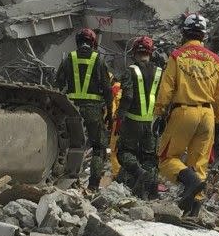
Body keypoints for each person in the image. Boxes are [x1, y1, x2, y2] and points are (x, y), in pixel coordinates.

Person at [154, 13, 219, 215]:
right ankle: (193, 211)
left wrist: (159, 112)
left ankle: (190, 181)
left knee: (167, 159)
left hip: (184, 111)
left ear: (184, 33)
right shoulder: (216, 60)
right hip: (208, 115)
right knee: (200, 163)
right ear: (204, 35)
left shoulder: (177, 56)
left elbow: (166, 88)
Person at [55, 28, 113, 191]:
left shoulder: (68, 59)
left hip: (71, 109)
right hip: (94, 110)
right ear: (93, 43)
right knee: (98, 147)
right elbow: (108, 89)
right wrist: (109, 112)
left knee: (68, 145)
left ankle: (66, 179)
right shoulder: (99, 61)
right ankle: (93, 185)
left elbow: (57, 86)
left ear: (78, 42)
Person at [117, 36, 163, 199]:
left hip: (132, 121)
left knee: (124, 152)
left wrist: (120, 116)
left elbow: (128, 96)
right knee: (149, 157)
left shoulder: (130, 70)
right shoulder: (159, 72)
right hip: (150, 123)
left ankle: (138, 172)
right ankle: (149, 193)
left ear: (135, 52)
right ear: (151, 53)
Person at [109, 75, 122, 180]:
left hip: (118, 123)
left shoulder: (114, 89)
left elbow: (112, 110)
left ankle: (117, 174)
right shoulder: (125, 87)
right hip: (130, 122)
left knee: (114, 149)